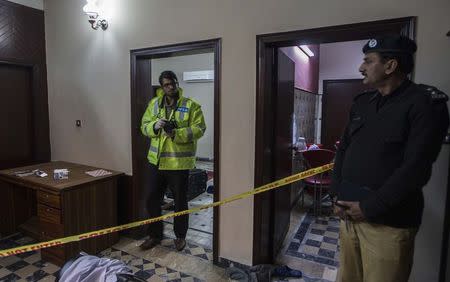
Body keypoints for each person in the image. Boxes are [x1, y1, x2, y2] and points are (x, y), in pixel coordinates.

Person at [331, 35, 449, 282]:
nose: (361, 67)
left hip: (388, 224)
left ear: (390, 66)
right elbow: (343, 150)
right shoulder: (362, 103)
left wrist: (369, 208)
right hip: (349, 217)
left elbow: (416, 168)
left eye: (368, 61)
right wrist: (335, 196)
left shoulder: (424, 104)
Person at [140, 70, 206, 251]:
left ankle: (180, 237)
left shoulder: (190, 105)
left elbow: (200, 128)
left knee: (180, 202)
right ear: (162, 87)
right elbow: (143, 127)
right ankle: (154, 235)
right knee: (152, 200)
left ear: (177, 83)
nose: (170, 87)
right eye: (166, 84)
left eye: (173, 83)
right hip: (156, 162)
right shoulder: (154, 104)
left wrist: (177, 133)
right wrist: (155, 125)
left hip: (178, 164)